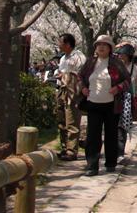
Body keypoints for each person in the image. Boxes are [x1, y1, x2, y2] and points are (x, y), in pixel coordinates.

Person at [78, 35, 130, 176]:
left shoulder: (116, 63)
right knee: (92, 135)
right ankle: (92, 165)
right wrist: (83, 88)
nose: (101, 47)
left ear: (110, 48)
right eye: (99, 45)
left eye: (105, 45)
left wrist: (117, 88)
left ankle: (111, 163)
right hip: (93, 102)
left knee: (111, 134)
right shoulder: (90, 62)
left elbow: (127, 81)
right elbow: (81, 77)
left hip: (112, 105)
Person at [55, 33, 86, 161]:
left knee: (72, 120)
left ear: (67, 44)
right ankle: (64, 146)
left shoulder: (78, 57)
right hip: (62, 90)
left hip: (72, 92)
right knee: (61, 120)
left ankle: (72, 150)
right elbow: (59, 71)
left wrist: (65, 75)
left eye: (60, 42)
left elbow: (80, 74)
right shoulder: (63, 58)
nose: (58, 45)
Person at [115, 43, 137, 161]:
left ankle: (120, 153)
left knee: (123, 125)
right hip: (115, 98)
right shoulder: (115, 66)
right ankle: (113, 150)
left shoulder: (136, 69)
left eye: (123, 55)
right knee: (113, 125)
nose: (121, 56)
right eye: (120, 54)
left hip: (127, 99)